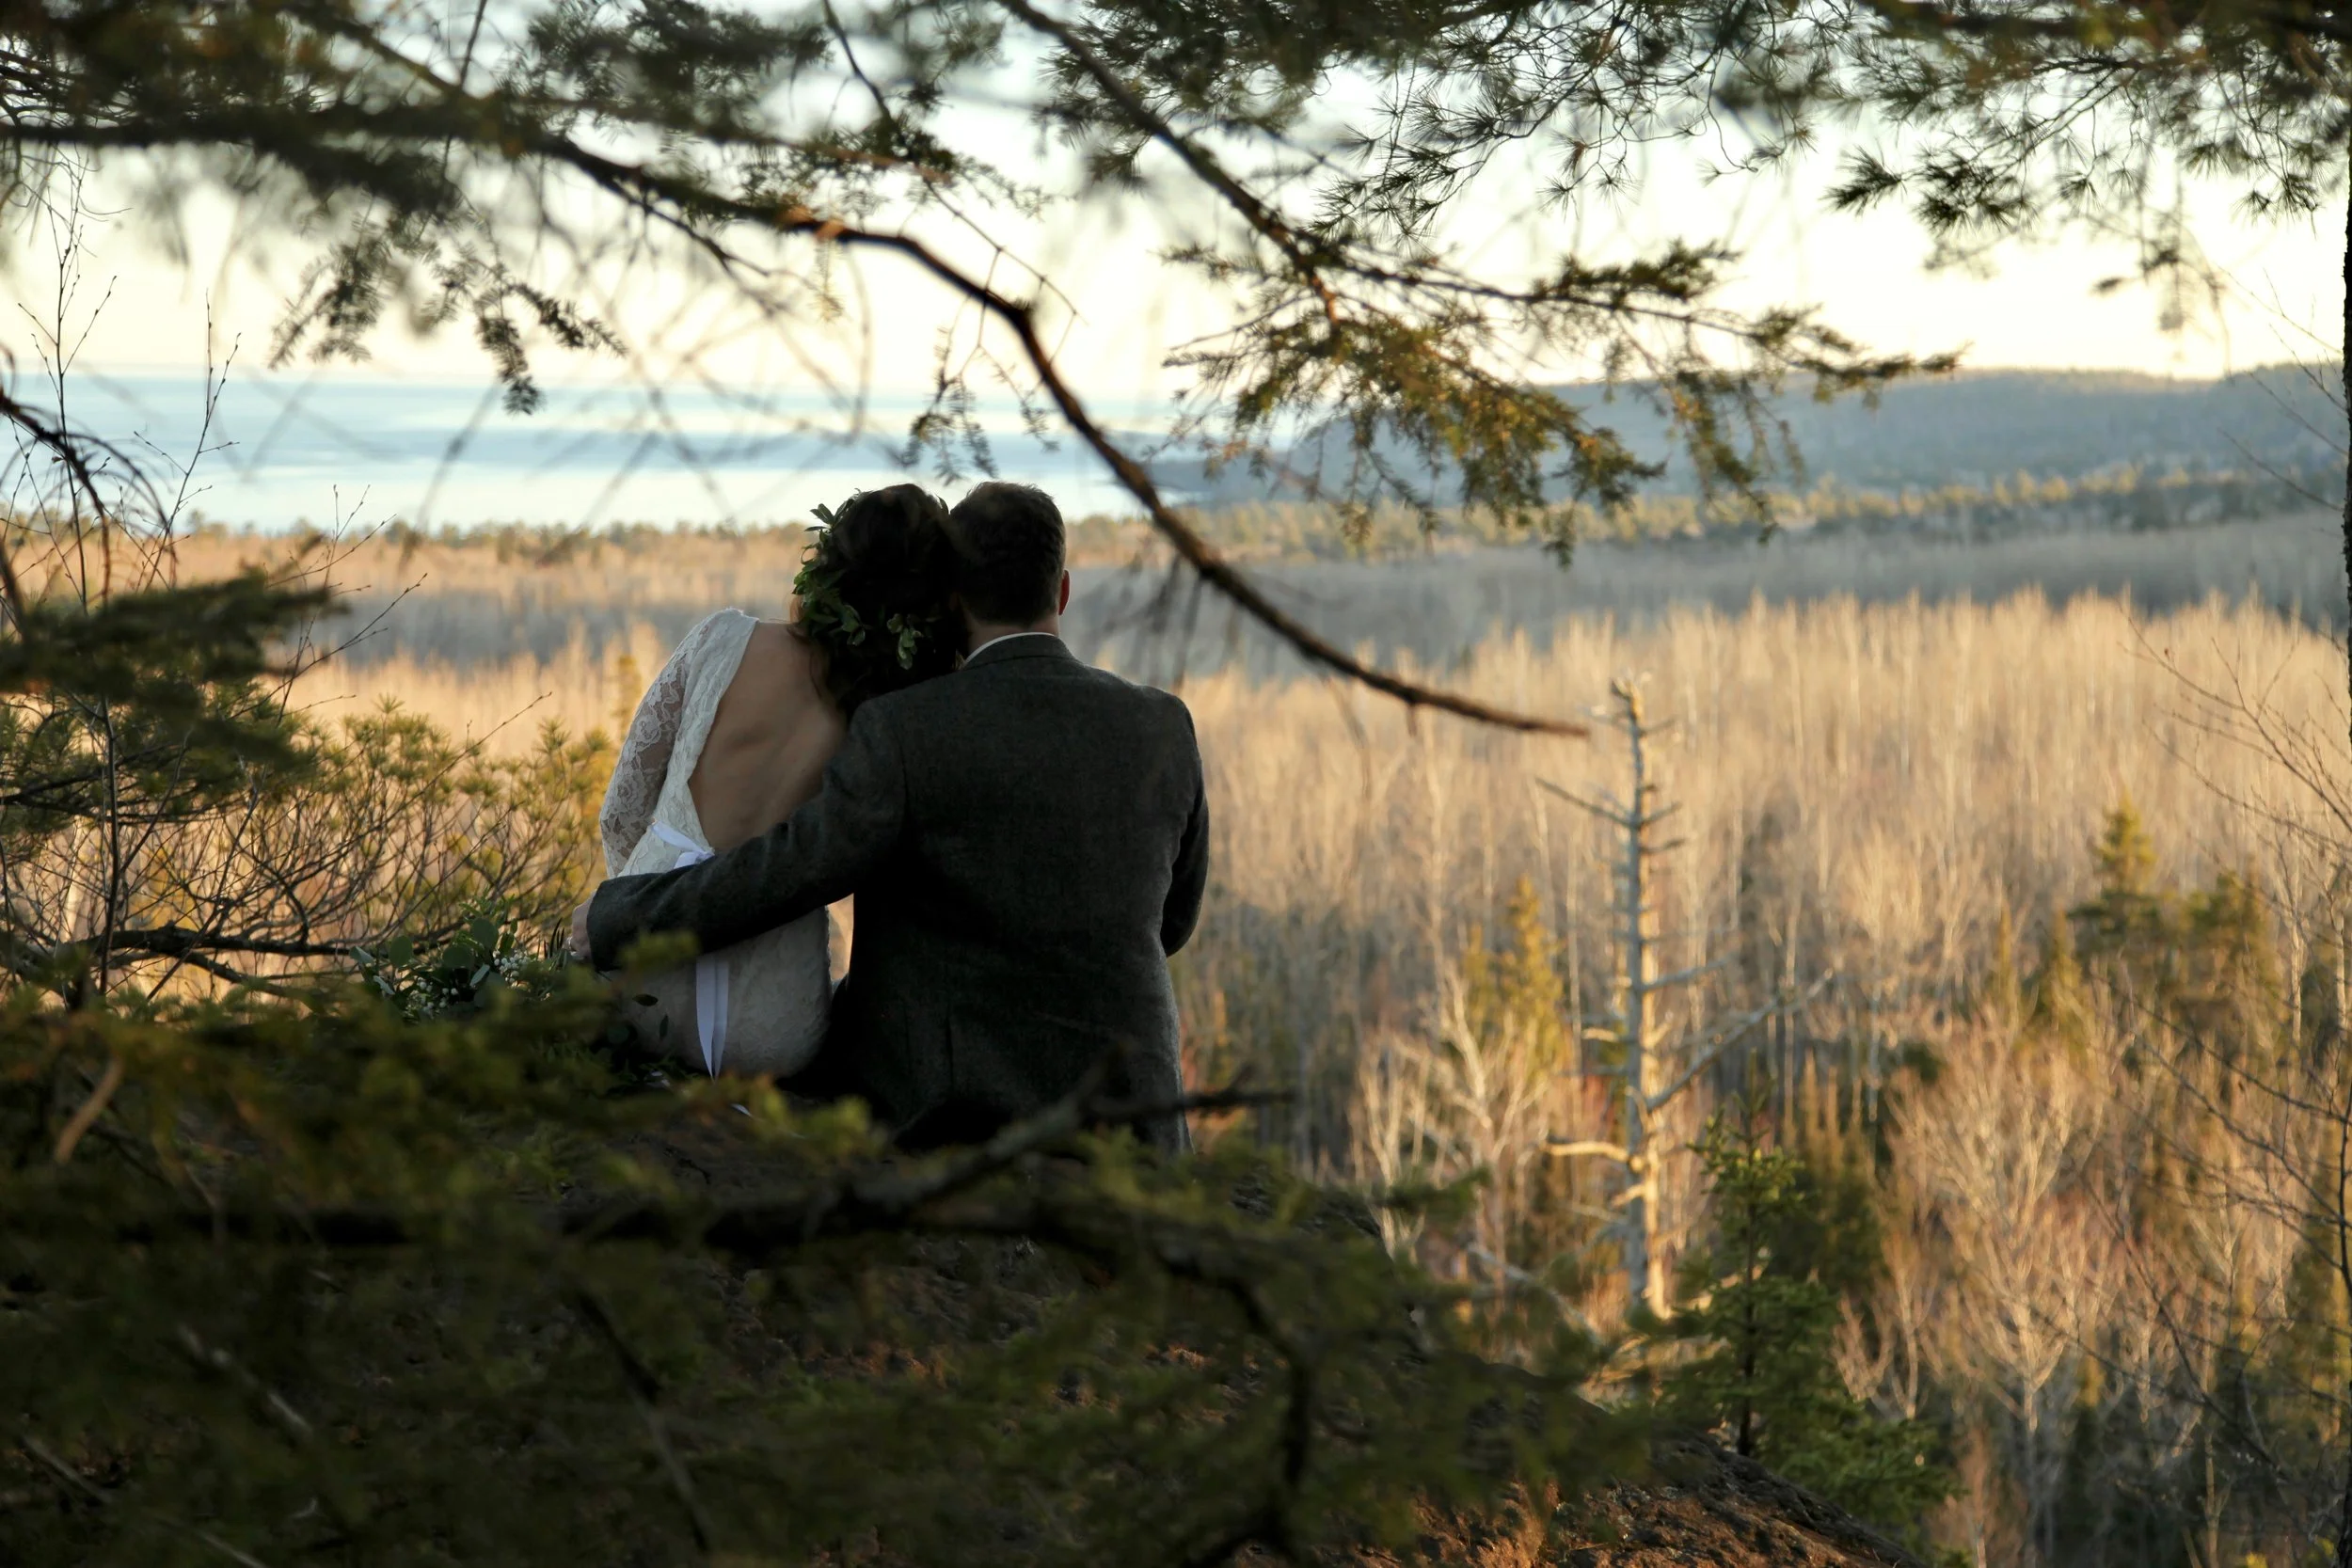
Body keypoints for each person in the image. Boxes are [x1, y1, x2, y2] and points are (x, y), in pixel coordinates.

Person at [573, 481, 1209, 1152]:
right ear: (1063, 592)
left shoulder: (908, 729)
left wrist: (618, 917)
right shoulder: (1165, 725)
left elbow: (786, 869)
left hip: (961, 1119)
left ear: (953, 599)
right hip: (1138, 1122)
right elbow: (1172, 923)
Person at [592, 483, 961, 1078]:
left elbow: (621, 811)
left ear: (827, 564)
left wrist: (635, 909)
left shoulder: (722, 639)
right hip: (771, 1022)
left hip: (641, 976)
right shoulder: (889, 718)